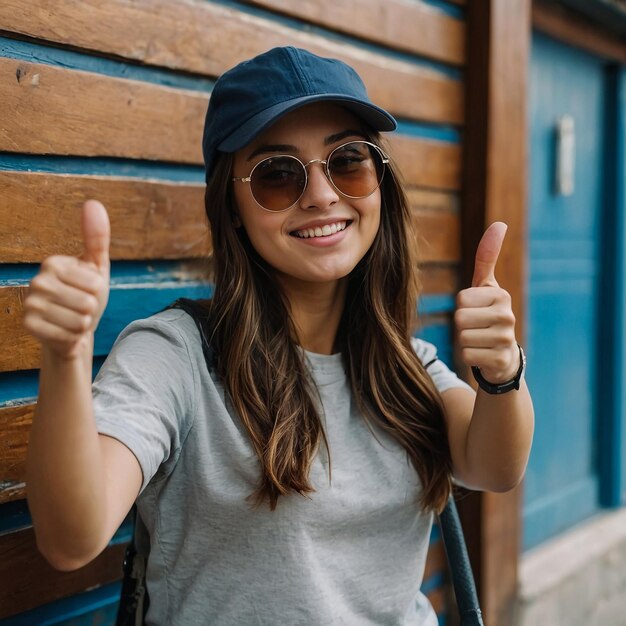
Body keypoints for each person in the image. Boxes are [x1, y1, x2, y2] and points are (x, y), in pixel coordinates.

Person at [23, 46, 534, 625]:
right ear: (233, 207)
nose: (320, 194)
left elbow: (495, 467)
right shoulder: (177, 356)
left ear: (379, 182)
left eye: (347, 161)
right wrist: (64, 359)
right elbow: (71, 538)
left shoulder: (404, 362)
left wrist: (502, 374)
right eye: (277, 174)